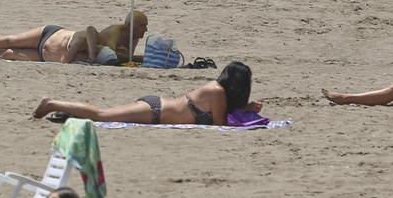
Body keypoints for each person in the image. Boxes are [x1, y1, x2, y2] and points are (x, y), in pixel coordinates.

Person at [33, 61, 257, 126]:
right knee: (101, 115)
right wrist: (245, 111)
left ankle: (65, 112)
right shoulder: (217, 91)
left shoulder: (217, 92)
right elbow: (220, 124)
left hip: (156, 109)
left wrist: (244, 109)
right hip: (155, 111)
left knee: (102, 116)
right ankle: (52, 103)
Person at [0, 11, 150, 64]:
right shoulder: (89, 39)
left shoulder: (84, 57)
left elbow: (65, 61)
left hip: (43, 56)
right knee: (12, 40)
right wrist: (93, 53)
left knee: (7, 54)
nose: (145, 29)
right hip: (50, 35)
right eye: (142, 26)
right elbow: (90, 29)